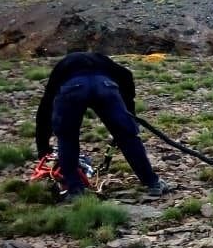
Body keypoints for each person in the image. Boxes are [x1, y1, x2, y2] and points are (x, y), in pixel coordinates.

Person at [35, 52, 169, 199]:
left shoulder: (63, 65)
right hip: (105, 86)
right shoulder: (101, 59)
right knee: (127, 137)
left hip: (73, 87)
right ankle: (152, 182)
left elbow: (46, 106)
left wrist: (43, 147)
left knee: (67, 139)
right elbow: (126, 75)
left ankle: (75, 190)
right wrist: (129, 114)